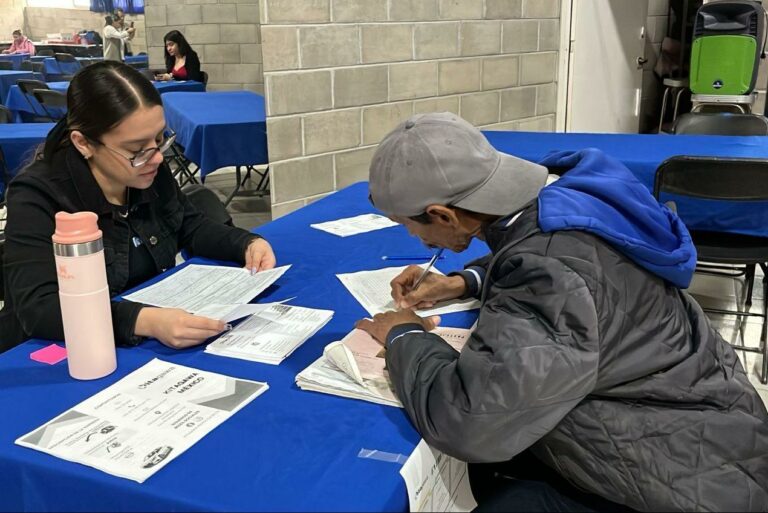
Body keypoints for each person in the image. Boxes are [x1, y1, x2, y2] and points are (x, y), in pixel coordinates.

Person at [357, 112, 768, 512]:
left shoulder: (550, 272)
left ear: (442, 215)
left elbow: (471, 423)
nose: (414, 236)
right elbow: (566, 258)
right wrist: (466, 281)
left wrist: (405, 334)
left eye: (408, 225)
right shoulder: (575, 191)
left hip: (678, 480)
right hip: (710, 428)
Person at [0, 61, 276, 353]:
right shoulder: (37, 196)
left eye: (160, 139)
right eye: (136, 149)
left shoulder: (147, 168)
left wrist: (245, 243)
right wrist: (145, 321)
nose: (156, 157)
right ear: (84, 143)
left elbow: (189, 225)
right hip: (61, 350)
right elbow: (39, 308)